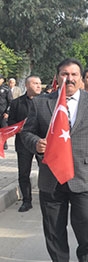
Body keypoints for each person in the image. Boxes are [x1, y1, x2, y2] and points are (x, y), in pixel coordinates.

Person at [21, 58, 88, 262]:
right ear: (57, 77)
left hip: (85, 175)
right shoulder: (42, 103)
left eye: (73, 74)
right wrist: (36, 144)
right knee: (53, 227)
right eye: (64, 74)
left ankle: (85, 256)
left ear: (81, 79)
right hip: (52, 177)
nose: (69, 79)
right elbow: (27, 132)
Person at [8, 75, 41, 212]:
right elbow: (10, 123)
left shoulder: (46, 101)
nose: (39, 86)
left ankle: (49, 197)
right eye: (35, 83)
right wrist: (18, 128)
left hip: (41, 142)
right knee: (24, 173)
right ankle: (26, 201)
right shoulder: (17, 103)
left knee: (46, 171)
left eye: (39, 83)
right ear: (27, 86)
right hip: (23, 143)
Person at [0, 75, 13, 149]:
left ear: (2, 80)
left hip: (3, 113)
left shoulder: (6, 89)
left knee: (4, 129)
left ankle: (4, 143)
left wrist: (7, 112)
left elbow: (10, 102)